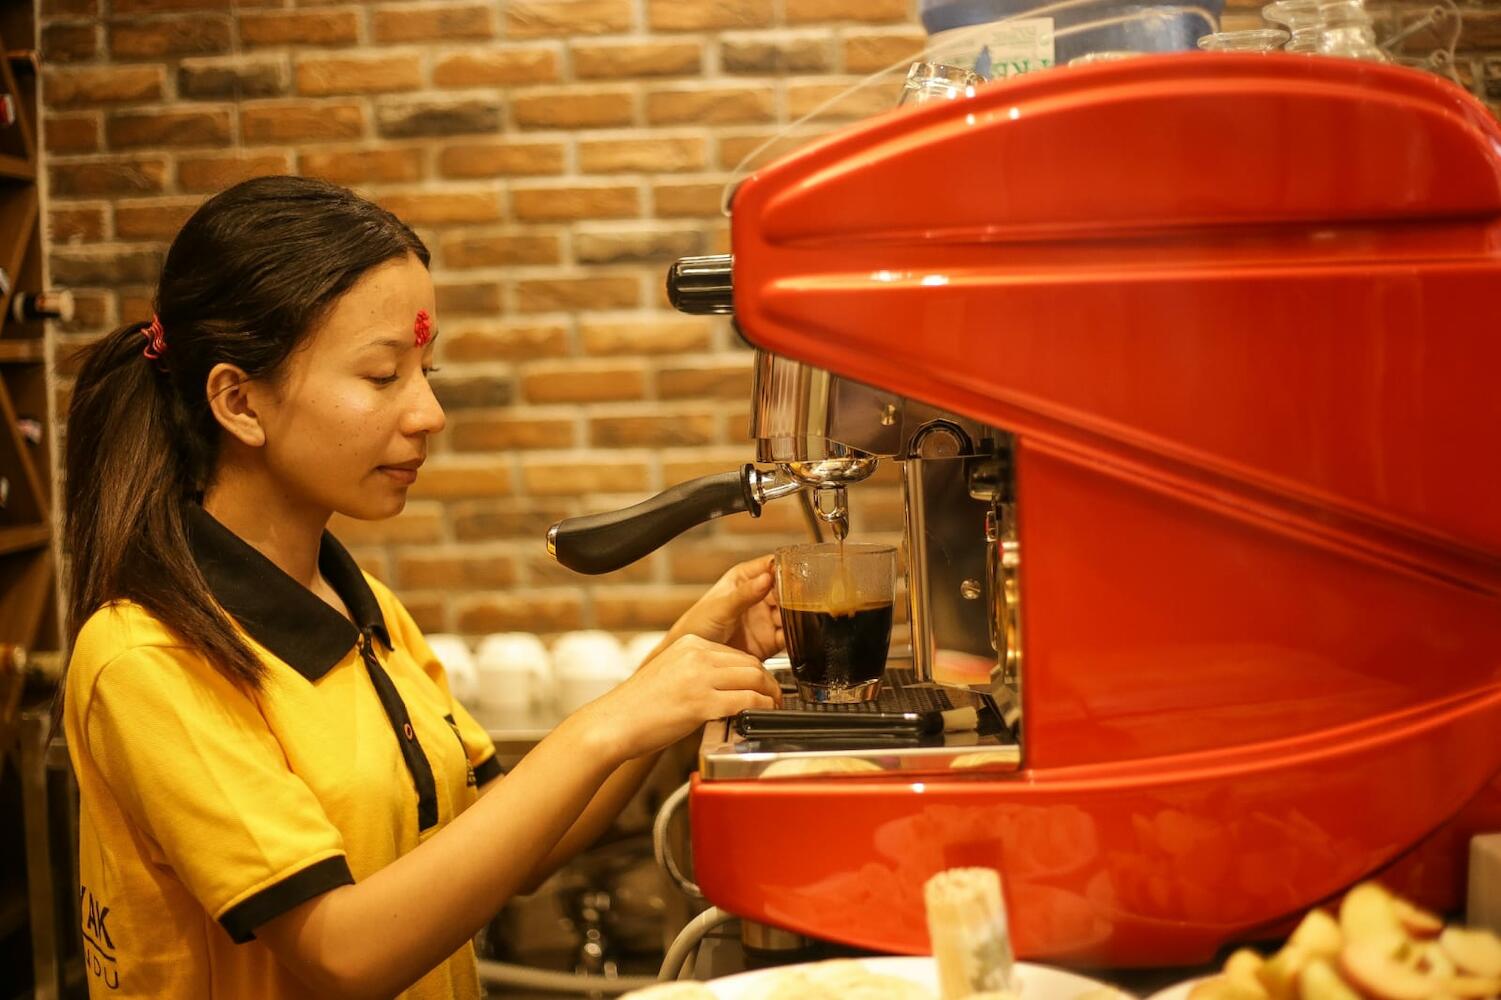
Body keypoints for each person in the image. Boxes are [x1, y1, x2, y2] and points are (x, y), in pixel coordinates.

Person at [60, 175, 784, 1000]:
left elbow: (509, 845)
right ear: (238, 400)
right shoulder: (149, 655)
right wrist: (605, 723)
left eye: (426, 370)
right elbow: (345, 953)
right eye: (381, 376)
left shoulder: (358, 603)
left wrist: (677, 666)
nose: (429, 412)